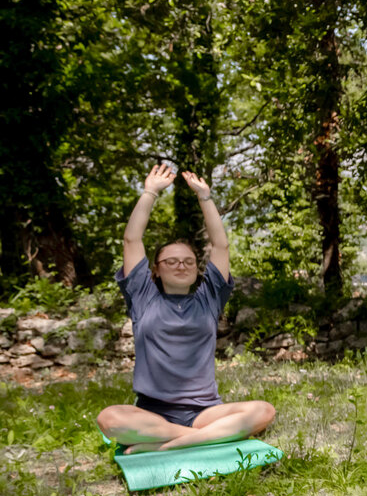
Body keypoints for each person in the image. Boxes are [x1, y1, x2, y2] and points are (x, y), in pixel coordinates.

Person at [95, 164, 275, 453]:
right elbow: (131, 240)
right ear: (156, 269)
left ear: (196, 268)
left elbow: (221, 245)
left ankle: (167, 444)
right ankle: (204, 437)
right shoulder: (142, 297)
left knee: (264, 410)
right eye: (171, 261)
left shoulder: (209, 299)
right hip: (153, 413)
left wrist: (205, 197)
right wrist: (150, 192)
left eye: (188, 261)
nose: (181, 265)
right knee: (109, 418)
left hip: (204, 412)